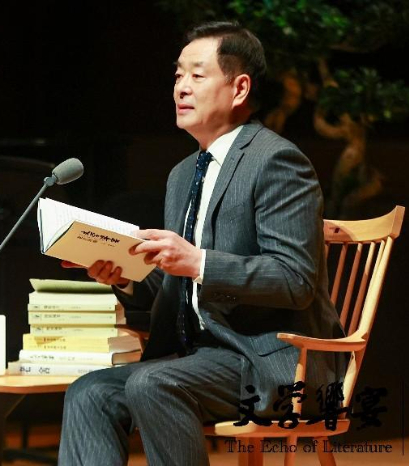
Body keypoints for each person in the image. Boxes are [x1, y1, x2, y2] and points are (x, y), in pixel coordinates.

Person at [57, 21, 345, 466]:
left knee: (153, 383)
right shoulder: (182, 175)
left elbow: (295, 280)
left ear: (239, 88)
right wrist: (124, 276)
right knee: (89, 392)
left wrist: (198, 262)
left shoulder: (277, 161)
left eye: (197, 75)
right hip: (198, 358)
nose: (181, 88)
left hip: (271, 362)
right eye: (177, 75)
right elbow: (176, 287)